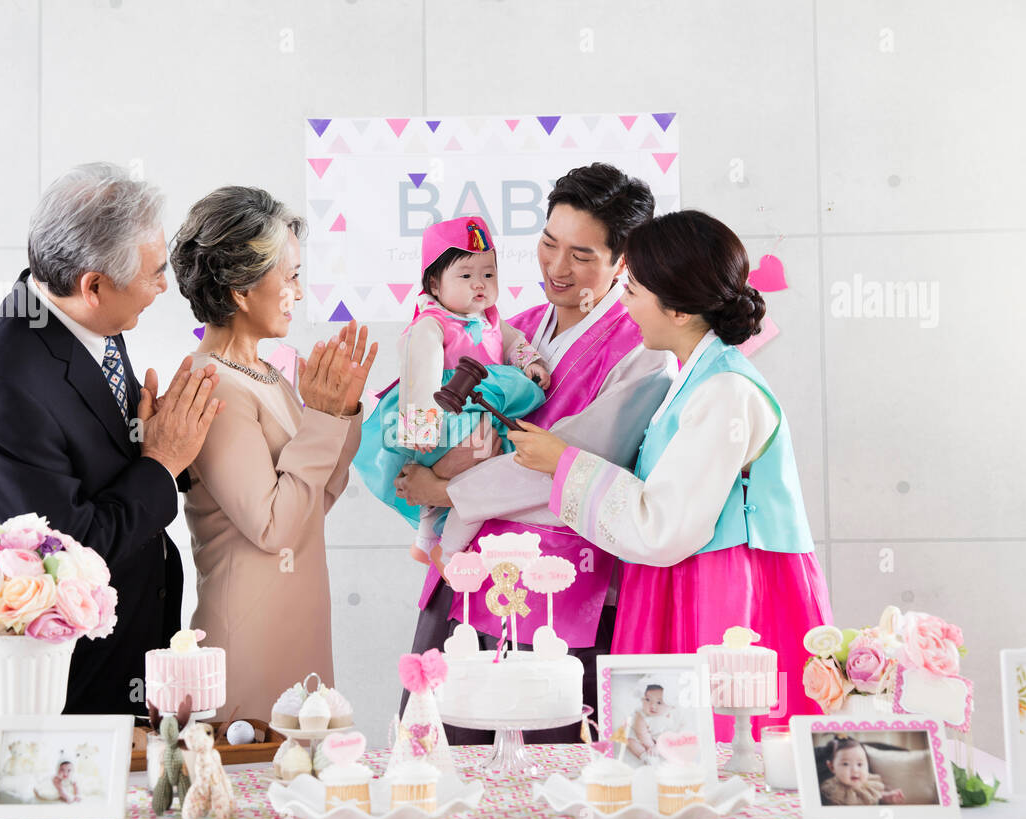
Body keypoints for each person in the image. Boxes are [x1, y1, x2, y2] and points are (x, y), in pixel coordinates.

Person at [512, 209, 833, 739]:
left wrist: (561, 463)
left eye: (634, 289)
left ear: (679, 309)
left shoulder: (725, 392)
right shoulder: (698, 380)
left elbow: (665, 526)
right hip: (687, 581)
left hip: (718, 595)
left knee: (713, 748)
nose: (624, 302)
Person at [394, 164, 674, 743]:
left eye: (582, 255)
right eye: (549, 243)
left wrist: (447, 490)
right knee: (441, 759)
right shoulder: (506, 330)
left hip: (562, 585)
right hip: (467, 577)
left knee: (550, 772)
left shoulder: (643, 354)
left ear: (624, 263)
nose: (557, 268)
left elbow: (578, 461)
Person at [0, 163, 221, 716]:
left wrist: (157, 439)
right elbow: (72, 550)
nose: (165, 286)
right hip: (47, 694)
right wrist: (161, 463)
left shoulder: (88, 323)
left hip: (116, 670)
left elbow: (106, 459)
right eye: (156, 273)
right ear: (93, 285)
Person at [171, 186, 376, 721]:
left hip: (300, 623)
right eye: (290, 277)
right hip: (249, 635)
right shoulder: (210, 383)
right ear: (240, 289)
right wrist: (324, 420)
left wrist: (342, 412)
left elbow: (315, 502)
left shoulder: (264, 375)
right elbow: (272, 527)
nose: (300, 293)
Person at [354, 215, 549, 565]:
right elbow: (420, 371)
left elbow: (513, 340)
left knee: (479, 478)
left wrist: (529, 361)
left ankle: (440, 544)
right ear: (434, 283)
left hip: (483, 404)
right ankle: (435, 539)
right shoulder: (431, 324)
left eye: (488, 274)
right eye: (466, 275)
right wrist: (420, 423)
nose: (480, 285)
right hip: (447, 412)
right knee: (464, 469)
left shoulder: (488, 318)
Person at [819, 737, 906, 806]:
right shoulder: (831, 793)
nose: (855, 770)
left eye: (860, 764)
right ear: (832, 767)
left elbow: (874, 797)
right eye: (845, 764)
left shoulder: (869, 786)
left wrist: (887, 797)